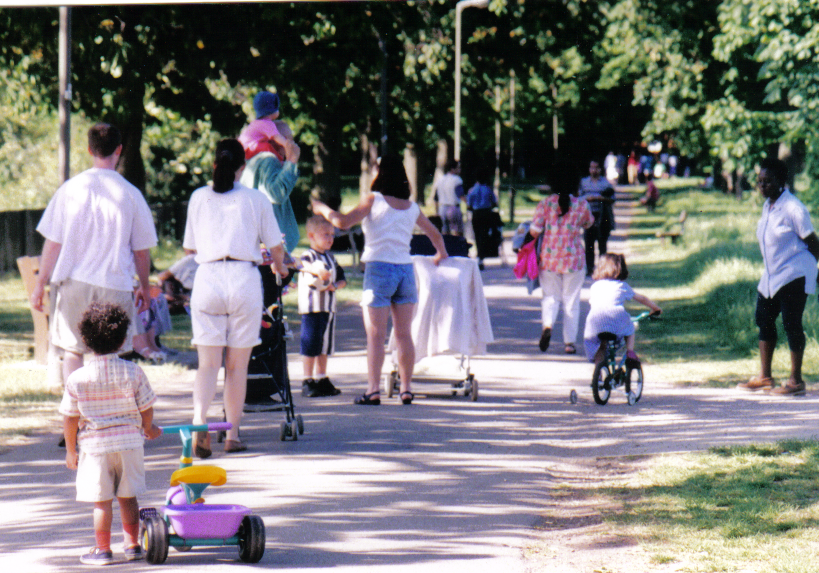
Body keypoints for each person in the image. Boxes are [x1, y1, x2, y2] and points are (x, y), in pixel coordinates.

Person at [30, 123, 158, 404]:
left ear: (89, 150)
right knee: (112, 356)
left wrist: (40, 284)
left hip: (74, 282)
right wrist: (145, 288)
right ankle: (109, 413)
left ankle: (74, 413)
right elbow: (141, 252)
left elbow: (53, 243)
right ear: (119, 150)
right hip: (115, 283)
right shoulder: (132, 195)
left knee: (73, 351)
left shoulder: (70, 190)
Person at [311, 155, 448, 406]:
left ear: (380, 173)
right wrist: (441, 254)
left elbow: (342, 222)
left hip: (378, 270)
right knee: (405, 334)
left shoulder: (374, 200)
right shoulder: (411, 207)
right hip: (405, 271)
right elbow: (434, 233)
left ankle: (373, 390)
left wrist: (321, 209)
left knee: (376, 335)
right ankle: (406, 388)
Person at [183, 138, 289, 456]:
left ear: (215, 165)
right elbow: (275, 246)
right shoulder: (257, 200)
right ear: (243, 167)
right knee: (236, 367)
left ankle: (199, 423)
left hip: (209, 278)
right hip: (244, 278)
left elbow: (190, 247)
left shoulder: (199, 197)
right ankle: (232, 434)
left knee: (207, 365)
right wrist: (281, 268)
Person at [59, 302, 161, 565]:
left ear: (86, 339)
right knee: (128, 497)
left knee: (101, 502)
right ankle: (133, 545)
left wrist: (71, 450)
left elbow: (70, 418)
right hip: (129, 444)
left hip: (94, 448)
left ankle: (103, 550)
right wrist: (147, 428)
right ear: (123, 339)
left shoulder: (78, 378)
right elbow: (146, 408)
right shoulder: (134, 371)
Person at [737, 158, 819, 395]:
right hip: (772, 274)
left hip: (795, 272)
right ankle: (765, 377)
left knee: (791, 323)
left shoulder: (794, 208)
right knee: (763, 319)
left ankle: (795, 381)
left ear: (781, 182)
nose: (762, 186)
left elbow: (812, 242)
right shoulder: (768, 206)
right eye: (760, 181)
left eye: (768, 182)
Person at [528, 175, 594, 354]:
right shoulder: (582, 205)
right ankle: (569, 343)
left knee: (550, 297)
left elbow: (534, 231)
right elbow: (589, 223)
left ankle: (548, 324)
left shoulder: (545, 204)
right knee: (571, 300)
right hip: (574, 260)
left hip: (549, 260)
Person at [239, 93, 302, 254]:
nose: (292, 144)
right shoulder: (268, 160)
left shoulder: (257, 161)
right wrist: (291, 162)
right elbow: (276, 194)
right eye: (289, 139)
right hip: (270, 251)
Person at [299, 215, 347, 398]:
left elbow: (342, 279)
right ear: (312, 236)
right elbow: (305, 270)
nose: (330, 239)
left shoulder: (331, 257)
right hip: (312, 308)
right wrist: (319, 276)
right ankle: (307, 379)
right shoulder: (308, 257)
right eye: (325, 235)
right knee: (310, 343)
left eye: (332, 235)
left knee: (324, 344)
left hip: (328, 308)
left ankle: (322, 377)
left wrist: (335, 285)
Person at [583, 253, 662, 365]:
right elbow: (642, 298)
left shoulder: (595, 286)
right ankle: (630, 352)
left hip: (595, 322)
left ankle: (598, 374)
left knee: (601, 346)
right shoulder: (621, 286)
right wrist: (655, 308)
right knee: (630, 328)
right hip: (615, 318)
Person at [578, 160, 616, 276]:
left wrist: (601, 199)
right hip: (588, 215)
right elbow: (577, 198)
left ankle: (602, 269)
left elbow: (613, 199)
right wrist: (587, 198)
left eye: (596, 168)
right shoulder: (583, 183)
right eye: (592, 167)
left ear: (600, 169)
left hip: (602, 216)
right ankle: (589, 269)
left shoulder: (606, 184)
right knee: (588, 243)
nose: (594, 170)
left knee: (602, 244)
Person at [238, 91, 290, 162]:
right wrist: (288, 145)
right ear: (272, 110)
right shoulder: (267, 123)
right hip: (248, 149)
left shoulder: (257, 122)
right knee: (267, 147)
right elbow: (278, 138)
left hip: (242, 149)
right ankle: (280, 162)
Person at [466, 168, 500, 270]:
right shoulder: (488, 189)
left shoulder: (472, 190)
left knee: (477, 234)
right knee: (484, 235)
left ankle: (478, 253)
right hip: (486, 213)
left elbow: (468, 205)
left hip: (476, 214)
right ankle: (481, 256)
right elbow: (494, 202)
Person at [433, 159, 465, 236]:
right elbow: (461, 196)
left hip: (442, 209)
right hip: (453, 208)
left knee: (445, 234)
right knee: (458, 233)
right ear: (452, 169)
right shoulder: (457, 180)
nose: (459, 170)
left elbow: (436, 198)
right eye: (458, 168)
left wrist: (437, 212)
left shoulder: (440, 180)